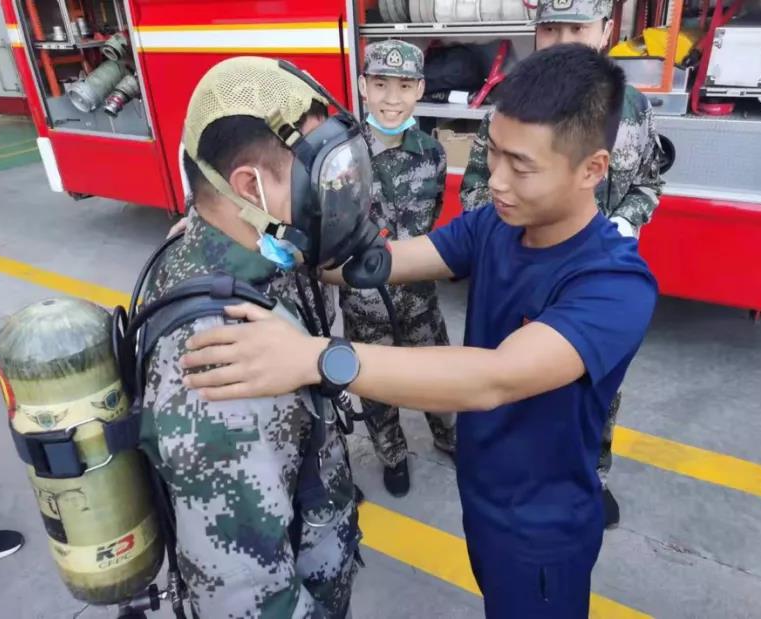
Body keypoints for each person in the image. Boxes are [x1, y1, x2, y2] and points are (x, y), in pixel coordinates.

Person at [180, 45, 658, 617]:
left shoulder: (614, 283)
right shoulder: (497, 224)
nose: (496, 180)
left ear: (592, 170)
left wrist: (315, 356)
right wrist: (269, 238)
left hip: (541, 528)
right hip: (481, 494)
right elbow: (385, 262)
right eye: (492, 152)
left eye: (521, 166)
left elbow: (495, 378)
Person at [138, 57, 360, 618]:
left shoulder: (238, 243)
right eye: (313, 179)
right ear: (249, 188)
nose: (328, 195)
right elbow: (245, 597)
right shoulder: (220, 360)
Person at [461, 0, 665, 528]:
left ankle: (592, 474)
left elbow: (649, 182)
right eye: (550, 28)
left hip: (590, 275)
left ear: (605, 30)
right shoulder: (512, 109)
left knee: (593, 391)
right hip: (524, 268)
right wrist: (509, 231)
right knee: (518, 387)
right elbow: (479, 190)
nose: (562, 40)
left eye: (577, 27)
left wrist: (624, 223)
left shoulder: (632, 110)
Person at [342, 39, 456, 497]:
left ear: (420, 89)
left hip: (420, 299)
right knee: (376, 387)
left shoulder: (433, 154)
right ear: (362, 86)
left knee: (438, 378)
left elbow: (432, 221)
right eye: (380, 84)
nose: (392, 98)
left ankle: (449, 438)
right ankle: (392, 456)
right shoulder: (341, 156)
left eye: (405, 86)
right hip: (364, 304)